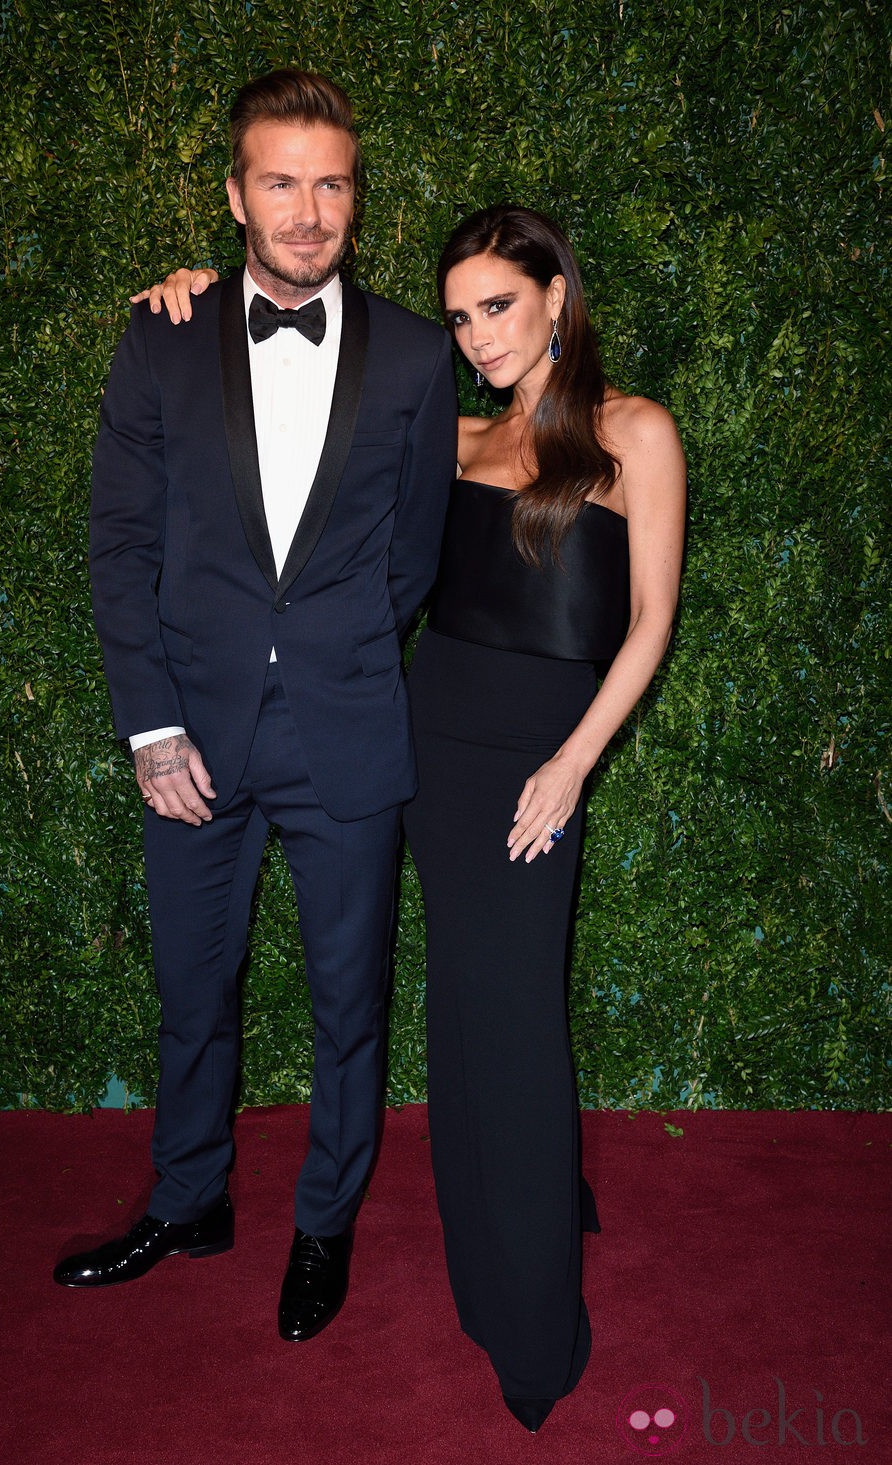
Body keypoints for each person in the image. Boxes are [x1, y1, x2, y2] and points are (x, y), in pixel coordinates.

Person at [144, 206, 685, 1430]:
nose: (477, 335)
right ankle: (489, 1242)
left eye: (498, 305)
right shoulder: (447, 438)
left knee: (515, 1017)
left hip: (539, 758)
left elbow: (647, 622)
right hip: (427, 738)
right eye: (458, 316)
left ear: (556, 293)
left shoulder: (633, 431)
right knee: (459, 1004)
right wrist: (196, 295)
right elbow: (296, 421)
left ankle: (532, 1321)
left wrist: (571, 766)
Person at [53, 68, 457, 1356]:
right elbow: (119, 544)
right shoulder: (160, 335)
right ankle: (189, 1202)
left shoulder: (411, 351)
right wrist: (150, 723)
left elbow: (415, 555)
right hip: (193, 741)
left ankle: (323, 1221)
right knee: (191, 988)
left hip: (345, 729)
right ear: (234, 195)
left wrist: (327, 654)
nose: (306, 209)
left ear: (355, 197)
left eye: (329, 181)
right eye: (278, 180)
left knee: (350, 1001)